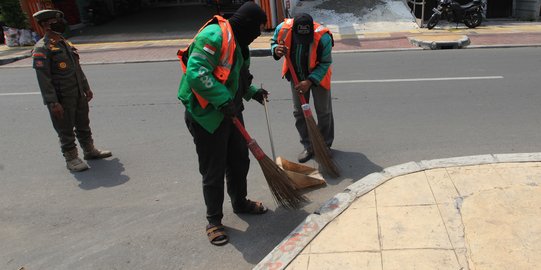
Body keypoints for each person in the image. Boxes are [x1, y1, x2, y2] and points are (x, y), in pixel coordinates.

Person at [177, 2, 269, 246]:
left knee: (239, 160)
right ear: (247, 25)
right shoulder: (214, 36)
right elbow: (197, 74)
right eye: (258, 29)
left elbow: (234, 75)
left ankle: (240, 202)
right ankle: (214, 221)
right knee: (214, 169)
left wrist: (252, 92)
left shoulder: (238, 40)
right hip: (207, 115)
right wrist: (222, 100)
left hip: (231, 110)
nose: (258, 35)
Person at [31, 10, 111, 172]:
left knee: (83, 123)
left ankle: (89, 150)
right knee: (65, 128)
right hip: (61, 97)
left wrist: (86, 87)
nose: (61, 24)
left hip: (78, 92)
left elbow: (77, 69)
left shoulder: (64, 43)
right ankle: (71, 158)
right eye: (55, 21)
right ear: (46, 25)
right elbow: (44, 79)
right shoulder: (42, 48)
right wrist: (52, 102)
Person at [270, 13, 335, 163]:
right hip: (296, 76)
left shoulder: (323, 36)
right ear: (294, 30)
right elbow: (273, 42)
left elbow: (325, 63)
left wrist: (310, 81)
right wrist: (275, 49)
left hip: (318, 76)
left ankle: (325, 145)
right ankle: (308, 146)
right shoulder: (283, 28)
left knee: (324, 112)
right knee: (299, 112)